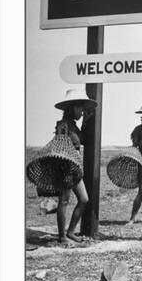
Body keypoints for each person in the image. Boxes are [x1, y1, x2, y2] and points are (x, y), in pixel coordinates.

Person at [47, 89, 96, 244]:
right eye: (80, 108)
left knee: (84, 199)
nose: (81, 112)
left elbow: (84, 141)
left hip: (75, 168)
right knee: (64, 200)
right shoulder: (63, 126)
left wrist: (86, 121)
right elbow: (59, 146)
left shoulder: (74, 127)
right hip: (65, 168)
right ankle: (62, 236)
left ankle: (70, 232)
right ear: (72, 108)